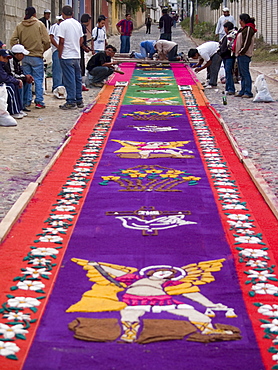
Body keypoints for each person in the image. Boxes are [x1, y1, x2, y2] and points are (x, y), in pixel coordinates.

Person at [10, 6, 50, 109]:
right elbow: (47, 41)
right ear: (35, 14)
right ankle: (39, 101)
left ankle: (27, 101)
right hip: (37, 56)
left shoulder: (20, 26)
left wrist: (19, 51)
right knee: (38, 79)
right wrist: (41, 50)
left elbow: (13, 40)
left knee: (27, 78)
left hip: (25, 56)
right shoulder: (40, 25)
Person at [57, 5, 84, 110]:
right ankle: (79, 99)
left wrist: (60, 53)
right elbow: (81, 39)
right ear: (72, 13)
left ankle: (71, 101)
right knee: (77, 78)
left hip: (67, 55)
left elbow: (61, 41)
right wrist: (76, 46)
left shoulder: (63, 25)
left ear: (63, 14)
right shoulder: (77, 24)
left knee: (69, 79)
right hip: (76, 55)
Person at [233, 13, 257, 98]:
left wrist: (241, 51)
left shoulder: (249, 29)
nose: (239, 22)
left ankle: (248, 91)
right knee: (242, 74)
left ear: (243, 20)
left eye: (240, 20)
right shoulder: (243, 29)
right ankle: (243, 90)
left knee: (245, 73)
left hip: (244, 54)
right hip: (240, 54)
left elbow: (247, 42)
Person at [7, 44, 34, 111]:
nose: (23, 56)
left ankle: (24, 104)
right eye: (22, 54)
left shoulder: (17, 60)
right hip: (9, 79)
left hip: (13, 77)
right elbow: (12, 74)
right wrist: (24, 77)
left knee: (28, 82)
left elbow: (20, 72)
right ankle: (19, 106)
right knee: (19, 83)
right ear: (18, 54)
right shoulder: (10, 60)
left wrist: (26, 77)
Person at [0, 49, 24, 119]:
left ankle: (19, 109)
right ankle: (14, 111)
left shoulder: (4, 65)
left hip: (3, 82)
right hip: (2, 83)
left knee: (14, 85)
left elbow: (7, 75)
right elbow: (3, 77)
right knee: (10, 88)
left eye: (7, 58)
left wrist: (17, 81)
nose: (5, 60)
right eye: (4, 58)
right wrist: (16, 81)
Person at [218, 21, 237, 95]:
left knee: (229, 72)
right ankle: (227, 88)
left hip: (229, 56)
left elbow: (229, 47)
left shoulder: (232, 35)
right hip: (225, 56)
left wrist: (222, 52)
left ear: (227, 28)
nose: (224, 29)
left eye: (224, 28)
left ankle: (231, 89)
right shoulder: (226, 35)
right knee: (227, 72)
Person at [49, 16, 64, 92]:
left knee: (63, 69)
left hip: (64, 51)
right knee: (57, 69)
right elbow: (51, 38)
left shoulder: (64, 28)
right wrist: (58, 46)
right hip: (57, 50)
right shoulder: (54, 27)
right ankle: (56, 86)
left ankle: (62, 86)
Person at [80, 13, 91, 91]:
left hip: (81, 49)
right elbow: (81, 41)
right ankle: (81, 84)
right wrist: (84, 48)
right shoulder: (83, 27)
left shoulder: (83, 27)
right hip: (80, 50)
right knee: (81, 65)